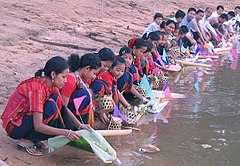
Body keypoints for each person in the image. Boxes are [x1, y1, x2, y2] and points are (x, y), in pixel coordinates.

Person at [1, 56, 91, 156]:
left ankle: (33, 138)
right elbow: (38, 125)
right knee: (51, 107)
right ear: (53, 74)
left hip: (25, 120)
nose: (65, 81)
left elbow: (63, 107)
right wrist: (66, 132)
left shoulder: (52, 87)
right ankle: (26, 140)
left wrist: (79, 125)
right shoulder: (38, 89)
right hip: (14, 127)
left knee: (56, 103)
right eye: (63, 77)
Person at [61, 53, 101, 127]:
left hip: (67, 110)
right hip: (62, 113)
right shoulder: (70, 81)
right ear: (87, 69)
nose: (94, 77)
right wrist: (79, 125)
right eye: (94, 73)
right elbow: (63, 107)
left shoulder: (78, 79)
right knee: (85, 95)